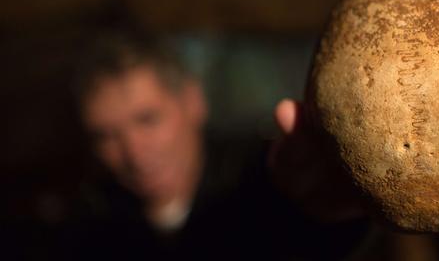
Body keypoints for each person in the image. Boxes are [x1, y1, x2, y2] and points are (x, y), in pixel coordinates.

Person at [62, 33, 368, 260]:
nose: (133, 152)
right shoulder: (92, 227)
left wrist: (334, 207)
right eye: (106, 136)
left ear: (193, 102)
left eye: (148, 119)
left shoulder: (263, 182)